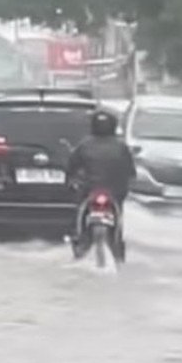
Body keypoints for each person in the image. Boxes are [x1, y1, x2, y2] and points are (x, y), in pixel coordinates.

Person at [65, 109, 137, 260]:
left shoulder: (84, 145)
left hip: (90, 190)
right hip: (114, 192)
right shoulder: (121, 146)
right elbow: (131, 171)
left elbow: (72, 166)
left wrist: (71, 181)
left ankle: (78, 238)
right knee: (117, 217)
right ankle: (117, 247)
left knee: (78, 210)